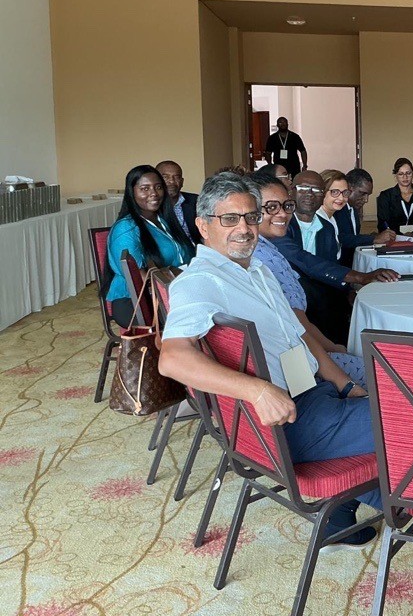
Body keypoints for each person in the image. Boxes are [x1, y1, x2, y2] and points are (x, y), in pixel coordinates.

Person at [159, 171, 378, 546]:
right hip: (289, 420)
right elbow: (173, 359)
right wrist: (258, 390)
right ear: (202, 226)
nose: (243, 228)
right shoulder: (202, 281)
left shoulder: (257, 269)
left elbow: (300, 338)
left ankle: (342, 514)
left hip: (313, 392)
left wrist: (343, 384)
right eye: (229, 219)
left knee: (393, 409)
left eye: (249, 216)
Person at [251, 172, 367, 386]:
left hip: (304, 342)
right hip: (295, 369)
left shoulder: (267, 247)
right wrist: (345, 385)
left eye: (285, 206)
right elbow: (298, 330)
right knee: (381, 375)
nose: (281, 214)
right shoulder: (261, 258)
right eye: (270, 207)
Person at [276, 170, 398, 343]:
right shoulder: (281, 223)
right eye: (303, 188)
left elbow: (330, 264)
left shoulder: (327, 228)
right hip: (287, 300)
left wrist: (350, 289)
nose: (310, 194)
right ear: (292, 191)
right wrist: (359, 277)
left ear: (322, 196)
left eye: (317, 190)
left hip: (320, 298)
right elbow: (302, 259)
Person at [101, 165, 195, 327]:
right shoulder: (127, 228)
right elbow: (137, 277)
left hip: (172, 290)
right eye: (145, 188)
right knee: (202, 314)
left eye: (158, 187)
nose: (153, 193)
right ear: (132, 192)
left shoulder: (164, 220)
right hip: (137, 301)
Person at [337, 168, 395, 266]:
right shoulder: (337, 209)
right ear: (349, 187)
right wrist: (373, 239)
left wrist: (372, 236)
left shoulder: (353, 210)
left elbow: (353, 238)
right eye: (362, 193)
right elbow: (339, 239)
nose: (366, 200)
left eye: (368, 195)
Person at [375, 158, 413, 234]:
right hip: (393, 239)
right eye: (401, 174)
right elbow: (382, 223)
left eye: (408, 173)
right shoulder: (385, 196)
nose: (405, 177)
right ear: (395, 175)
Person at [156, 160, 199, 243]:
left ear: (182, 182)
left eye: (176, 177)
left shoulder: (195, 201)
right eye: (165, 177)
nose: (172, 181)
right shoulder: (150, 205)